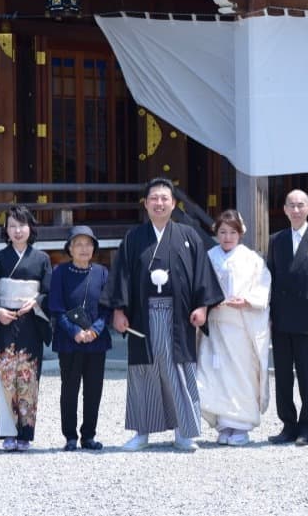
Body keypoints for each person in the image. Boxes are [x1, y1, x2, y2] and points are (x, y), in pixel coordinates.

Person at [101, 177, 225, 452]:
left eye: (164, 198)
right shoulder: (134, 238)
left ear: (173, 204)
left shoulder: (189, 236)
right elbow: (121, 274)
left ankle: (184, 431)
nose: (159, 203)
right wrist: (119, 310)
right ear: (145, 204)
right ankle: (141, 432)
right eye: (154, 198)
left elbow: (202, 274)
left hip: (178, 316)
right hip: (142, 317)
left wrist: (202, 306)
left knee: (180, 370)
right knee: (143, 371)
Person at [197, 209, 272, 446]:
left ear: (240, 234)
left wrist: (248, 300)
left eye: (232, 232)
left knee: (240, 373)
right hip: (215, 324)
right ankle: (223, 424)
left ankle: (240, 425)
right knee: (214, 372)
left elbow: (262, 285)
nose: (227, 237)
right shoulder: (208, 256)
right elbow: (198, 286)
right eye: (222, 232)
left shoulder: (252, 259)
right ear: (216, 233)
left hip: (240, 324)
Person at [267, 189, 308, 446]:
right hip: (282, 316)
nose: (296, 210)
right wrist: (269, 315)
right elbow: (269, 280)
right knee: (283, 375)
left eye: (301, 205)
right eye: (291, 206)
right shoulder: (276, 240)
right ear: (284, 209)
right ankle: (288, 425)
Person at [0, 205, 53, 452]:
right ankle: (7, 432)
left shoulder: (42, 259)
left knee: (28, 377)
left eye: (21, 225)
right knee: (4, 375)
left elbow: (48, 291)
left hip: (30, 322)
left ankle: (25, 432)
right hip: (4, 322)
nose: (17, 230)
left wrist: (36, 302)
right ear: (6, 230)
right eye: (12, 225)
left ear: (30, 228)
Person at [49, 224, 113, 452]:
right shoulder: (60, 272)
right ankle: (70, 436)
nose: (84, 249)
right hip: (69, 341)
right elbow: (55, 307)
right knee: (70, 388)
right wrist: (75, 331)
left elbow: (107, 307)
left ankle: (88, 436)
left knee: (93, 390)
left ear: (94, 248)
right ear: (70, 248)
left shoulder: (103, 272)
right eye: (78, 244)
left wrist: (94, 330)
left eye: (88, 244)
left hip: (97, 341)